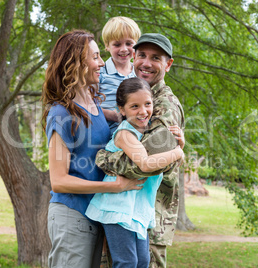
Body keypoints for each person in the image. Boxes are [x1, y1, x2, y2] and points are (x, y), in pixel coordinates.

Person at [41, 29, 144, 268]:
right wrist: (114, 187)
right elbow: (58, 180)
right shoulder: (61, 113)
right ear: (76, 63)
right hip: (72, 216)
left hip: (94, 215)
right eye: (96, 57)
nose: (101, 63)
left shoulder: (94, 104)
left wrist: (174, 136)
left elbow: (127, 126)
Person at [96, 33, 185, 268]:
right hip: (126, 211)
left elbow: (143, 164)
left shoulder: (163, 104)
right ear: (134, 57)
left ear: (168, 64)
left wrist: (103, 158)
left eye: (156, 58)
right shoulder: (140, 95)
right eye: (142, 55)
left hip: (149, 217)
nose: (146, 63)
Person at [99, 16, 141, 134]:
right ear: (107, 46)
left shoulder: (139, 73)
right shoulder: (100, 72)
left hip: (136, 132)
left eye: (129, 43)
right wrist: (113, 115)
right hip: (107, 135)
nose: (124, 49)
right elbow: (87, 106)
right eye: (117, 45)